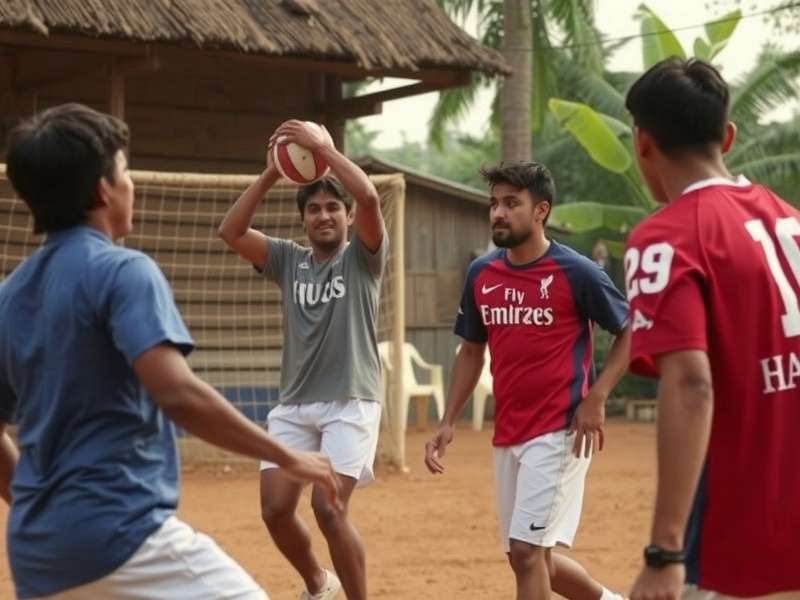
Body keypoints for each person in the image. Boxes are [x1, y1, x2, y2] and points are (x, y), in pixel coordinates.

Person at [0, 103, 341, 600]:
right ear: (102, 191)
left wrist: (39, 502)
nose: (130, 184)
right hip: (123, 536)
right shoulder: (123, 271)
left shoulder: (9, 296)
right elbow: (177, 393)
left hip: (37, 553)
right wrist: (287, 455)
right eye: (124, 172)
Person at [625, 58, 800, 600]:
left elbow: (691, 385)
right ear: (727, 136)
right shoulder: (790, 218)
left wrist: (664, 552)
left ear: (642, 144)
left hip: (737, 546)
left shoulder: (665, 239)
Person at [424, 161, 631, 600]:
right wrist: (447, 421)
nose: (498, 212)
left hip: (560, 432)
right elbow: (472, 351)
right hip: (509, 433)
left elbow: (631, 332)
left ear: (541, 211)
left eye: (511, 204)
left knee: (526, 552)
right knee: (533, 560)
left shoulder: (578, 272)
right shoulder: (481, 274)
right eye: (494, 203)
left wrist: (597, 396)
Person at [218, 120, 387, 600]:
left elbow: (371, 199)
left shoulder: (363, 259)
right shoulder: (288, 260)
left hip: (350, 401)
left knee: (329, 508)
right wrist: (274, 172)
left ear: (348, 217)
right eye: (313, 209)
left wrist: (323, 150)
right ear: (303, 220)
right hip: (295, 404)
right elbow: (230, 230)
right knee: (274, 509)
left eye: (334, 207)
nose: (324, 215)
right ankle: (319, 583)